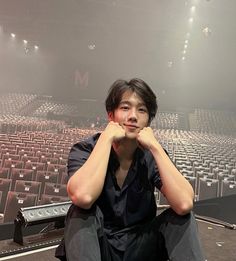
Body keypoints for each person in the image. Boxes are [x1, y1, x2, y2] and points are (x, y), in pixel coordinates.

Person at [55, 78, 205, 261]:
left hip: (140, 248)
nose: (133, 116)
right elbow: (83, 196)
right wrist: (106, 139)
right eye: (125, 108)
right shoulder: (85, 149)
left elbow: (184, 204)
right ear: (111, 115)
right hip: (97, 246)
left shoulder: (151, 155)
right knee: (79, 213)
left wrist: (156, 147)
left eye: (142, 110)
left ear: (148, 120)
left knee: (183, 219)